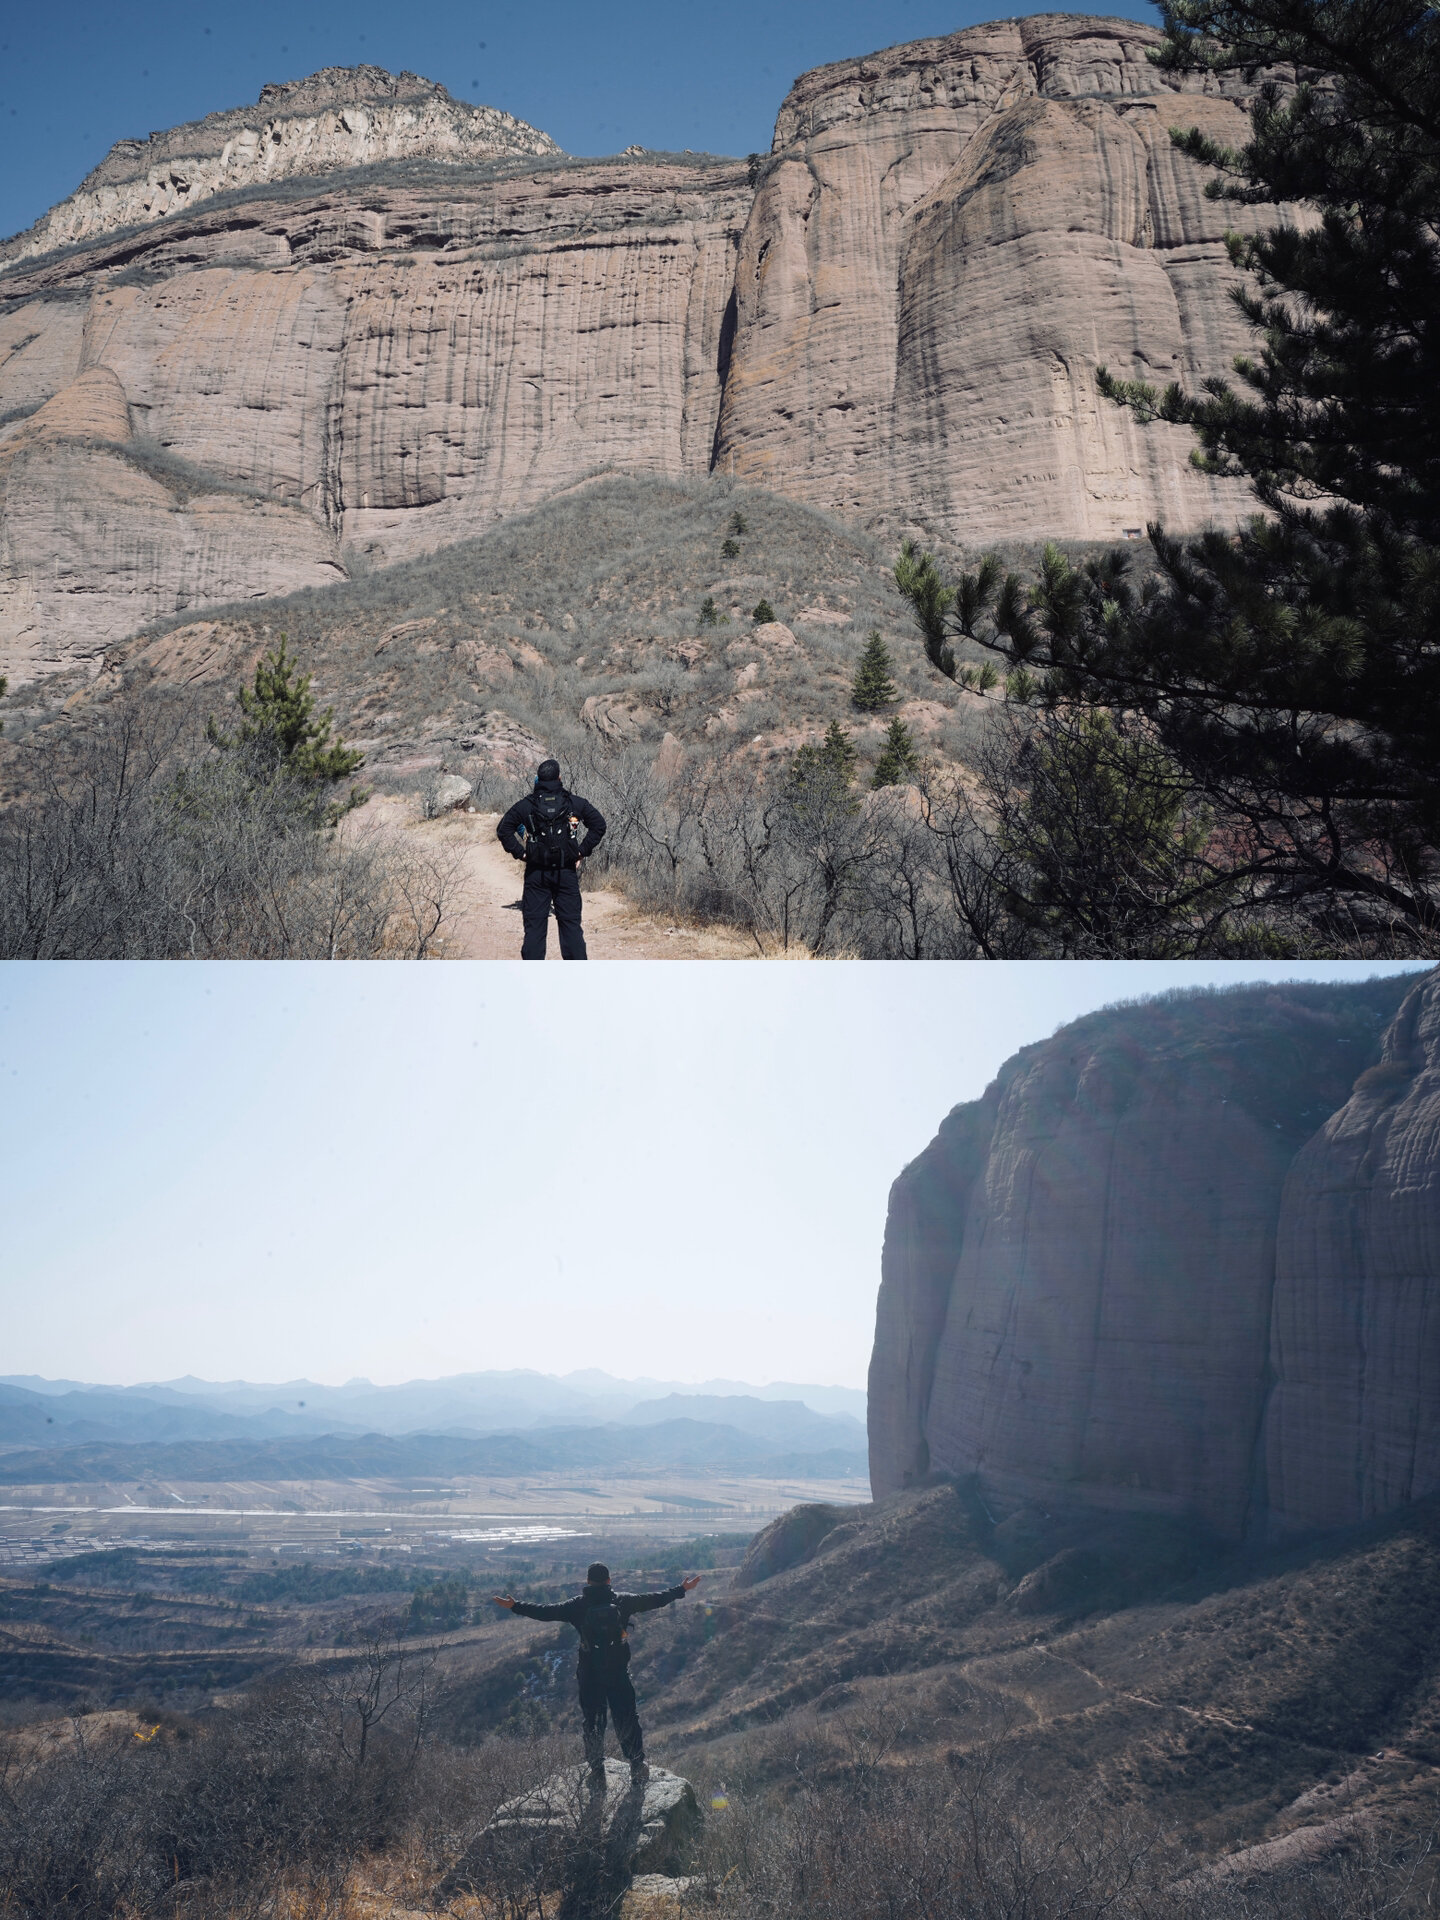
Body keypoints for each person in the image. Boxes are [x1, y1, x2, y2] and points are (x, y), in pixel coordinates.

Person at [493, 1561, 701, 1782]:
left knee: (593, 1721)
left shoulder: (577, 1605)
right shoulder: (622, 1601)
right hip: (618, 1672)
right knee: (626, 1717)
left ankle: (596, 1771)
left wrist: (515, 1606)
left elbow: (546, 1612)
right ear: (609, 1581)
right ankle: (637, 1765)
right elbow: (655, 1599)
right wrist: (681, 1590)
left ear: (588, 1581)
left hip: (590, 1674)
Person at [496, 759, 607, 960]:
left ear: (539, 779)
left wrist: (521, 854)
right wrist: (581, 851)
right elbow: (599, 825)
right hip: (566, 873)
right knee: (571, 929)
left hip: (536, 875)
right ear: (559, 778)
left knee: (535, 931)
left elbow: (503, 829)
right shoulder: (574, 802)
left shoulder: (526, 805)